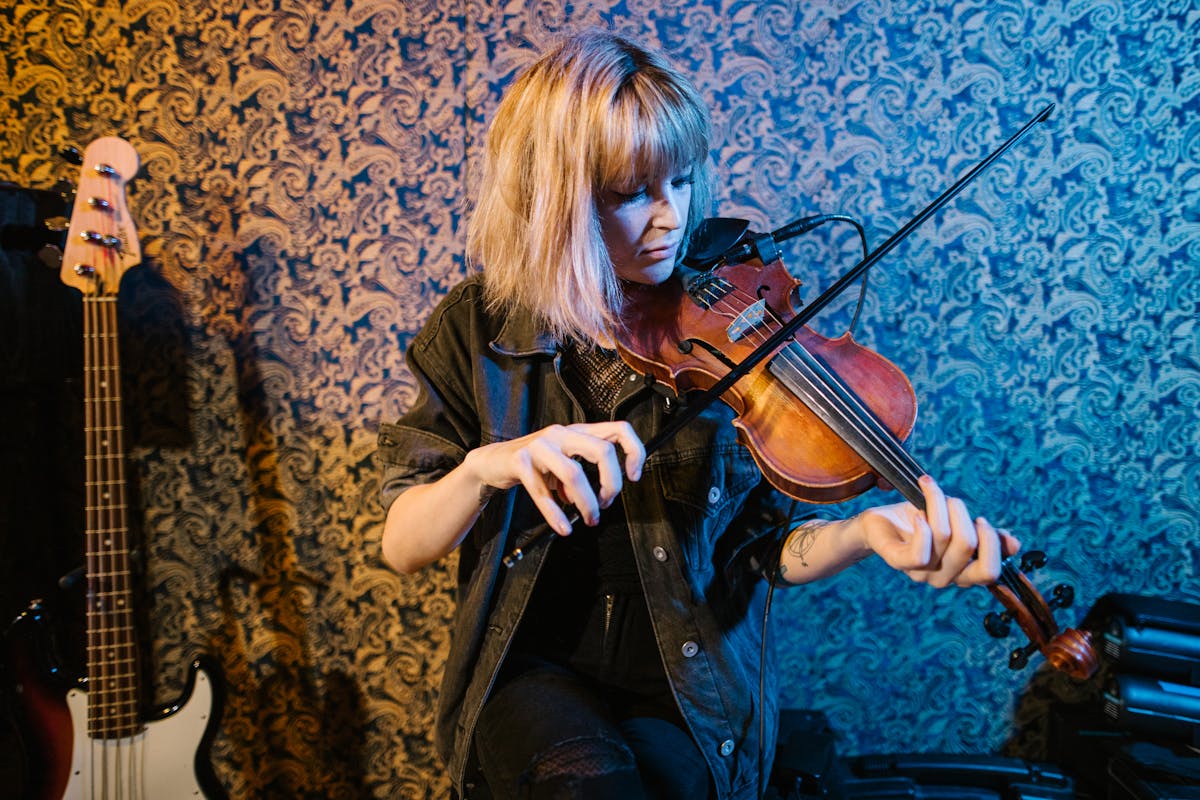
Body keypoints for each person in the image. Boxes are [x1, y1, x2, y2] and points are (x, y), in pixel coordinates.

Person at [377, 29, 1016, 800]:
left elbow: (765, 552)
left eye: (680, 182)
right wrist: (489, 465)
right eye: (628, 193)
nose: (669, 219)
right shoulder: (477, 329)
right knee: (587, 785)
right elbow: (401, 544)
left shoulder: (735, 319)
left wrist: (868, 533)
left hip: (688, 684)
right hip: (532, 668)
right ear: (553, 198)